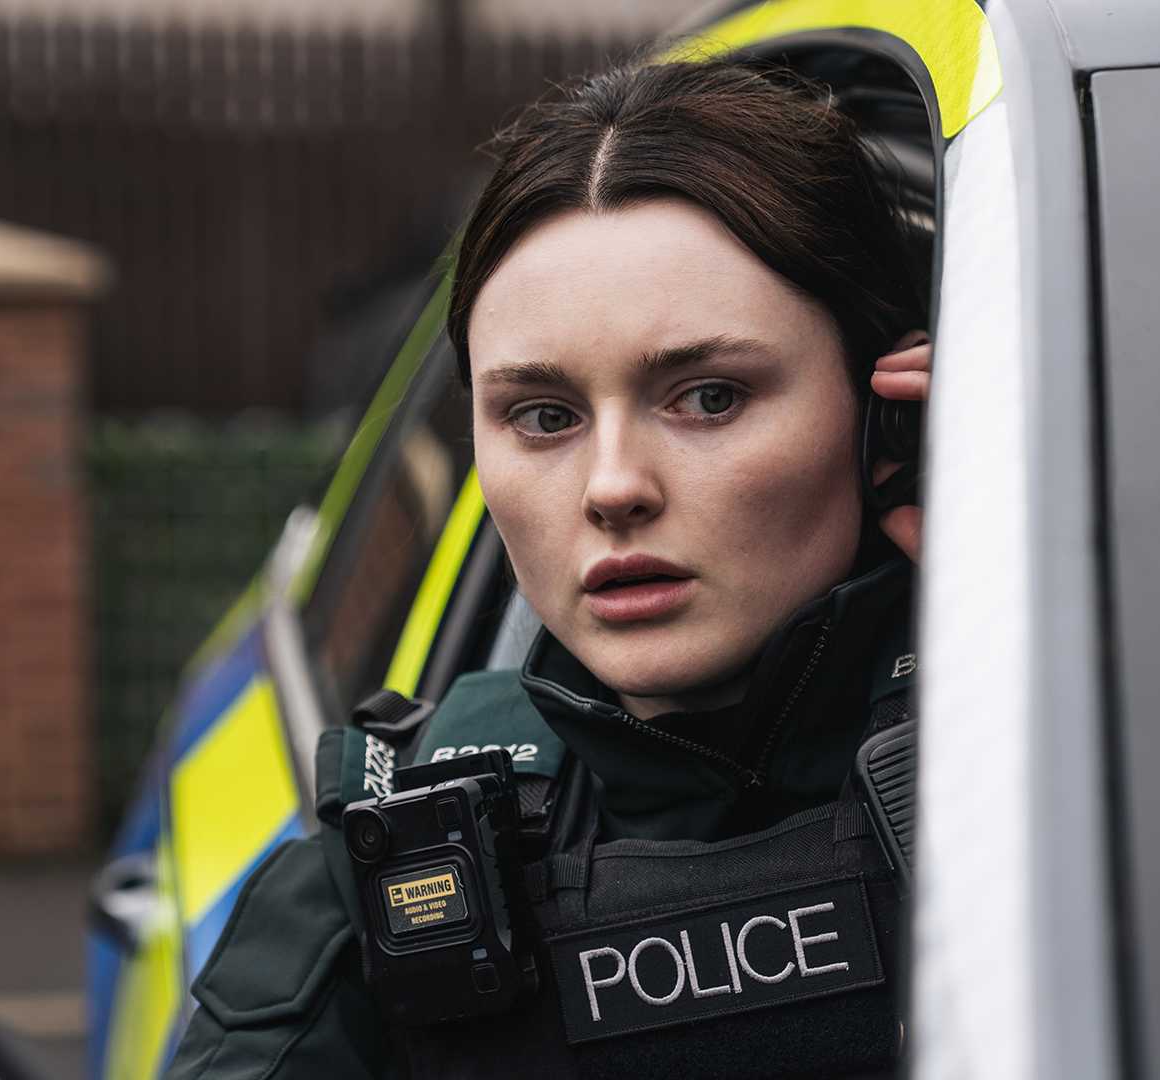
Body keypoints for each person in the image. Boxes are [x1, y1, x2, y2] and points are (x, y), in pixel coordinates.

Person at [165, 55, 932, 1080]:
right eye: (542, 417)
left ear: (886, 418)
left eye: (708, 397)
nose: (612, 487)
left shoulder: (1061, 748)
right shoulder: (390, 862)